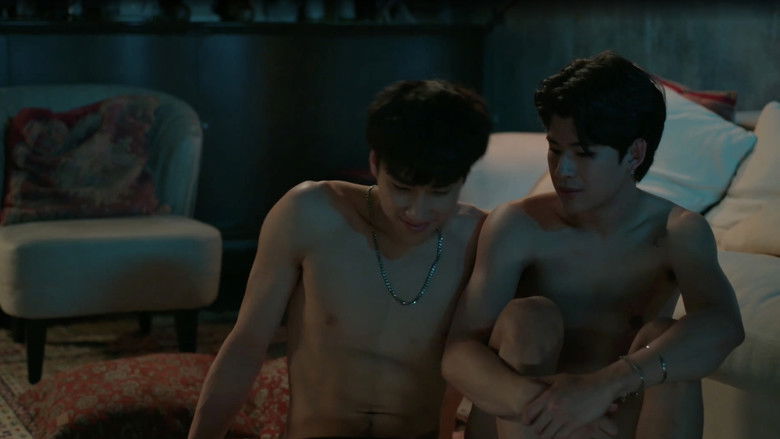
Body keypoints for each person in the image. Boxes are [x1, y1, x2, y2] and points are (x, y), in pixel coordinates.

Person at [441, 51, 745, 439]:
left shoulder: (676, 232)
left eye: (583, 153)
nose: (562, 170)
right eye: (555, 149)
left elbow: (724, 326)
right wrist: (547, 405)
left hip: (611, 416)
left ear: (634, 154)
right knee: (529, 317)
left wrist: (604, 386)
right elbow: (458, 351)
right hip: (523, 420)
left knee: (666, 338)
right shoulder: (517, 225)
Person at [188, 79, 492, 439]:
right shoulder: (311, 213)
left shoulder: (478, 239)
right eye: (401, 188)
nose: (417, 211)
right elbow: (246, 344)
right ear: (375, 163)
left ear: (463, 178)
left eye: (440, 193)